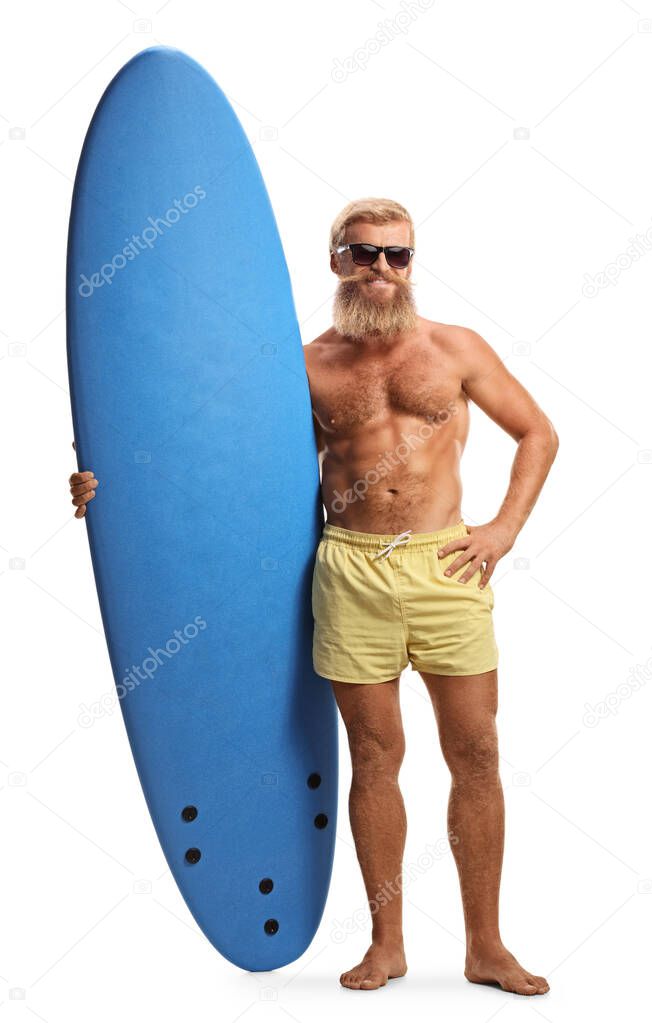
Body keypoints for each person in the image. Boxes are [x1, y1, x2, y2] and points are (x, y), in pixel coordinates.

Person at [69, 197, 558, 996]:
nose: (381, 270)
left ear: (412, 264)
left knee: (475, 753)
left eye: (397, 255)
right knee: (373, 756)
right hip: (350, 568)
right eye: (364, 253)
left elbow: (539, 432)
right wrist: (107, 488)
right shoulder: (301, 365)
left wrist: (501, 528)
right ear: (336, 260)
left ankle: (486, 945)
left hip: (447, 570)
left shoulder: (456, 350)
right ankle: (388, 942)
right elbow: (211, 458)